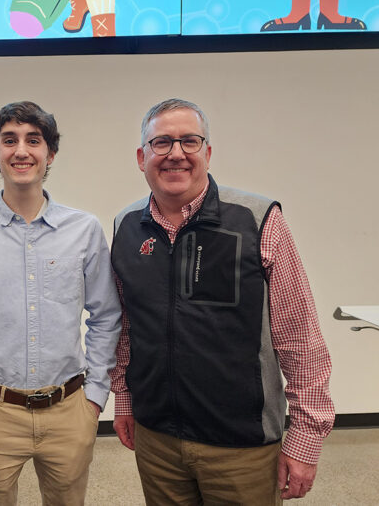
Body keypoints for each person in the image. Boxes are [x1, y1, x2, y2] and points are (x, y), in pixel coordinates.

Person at [110, 98, 334, 504]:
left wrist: (305, 437)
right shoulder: (126, 227)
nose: (175, 153)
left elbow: (300, 336)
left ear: (207, 153)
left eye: (189, 141)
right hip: (157, 440)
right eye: (161, 143)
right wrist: (124, 401)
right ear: (141, 156)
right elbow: (127, 326)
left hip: (242, 446)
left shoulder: (257, 219)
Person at [0, 101, 122, 505]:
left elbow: (106, 316)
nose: (21, 151)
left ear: (49, 154)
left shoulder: (84, 230)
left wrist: (94, 399)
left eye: (33, 140)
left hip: (70, 410)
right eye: (9, 140)